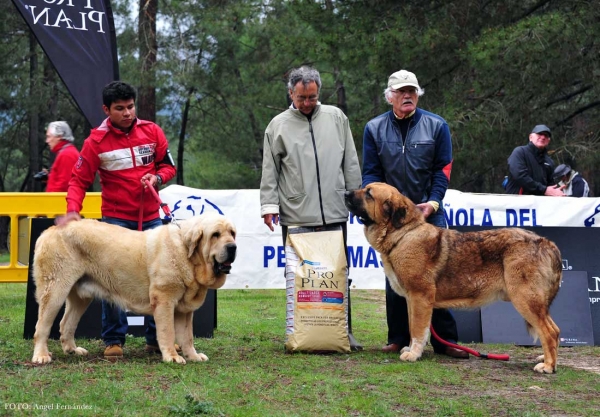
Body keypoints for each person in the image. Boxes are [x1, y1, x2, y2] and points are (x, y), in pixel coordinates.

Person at [57, 81, 177, 359]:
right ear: (106, 109)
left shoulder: (152, 131)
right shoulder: (95, 142)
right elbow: (78, 181)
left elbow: (168, 166)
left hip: (151, 220)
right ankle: (113, 340)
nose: (127, 113)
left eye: (131, 107)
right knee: (112, 281)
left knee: (160, 279)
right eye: (120, 109)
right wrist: (73, 209)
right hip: (115, 222)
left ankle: (156, 341)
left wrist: (157, 177)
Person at [361, 69, 468, 359]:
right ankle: (398, 337)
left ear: (418, 94)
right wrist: (376, 212)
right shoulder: (373, 128)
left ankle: (446, 341)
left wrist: (433, 203)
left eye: (412, 91)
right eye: (400, 91)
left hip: (428, 213)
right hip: (392, 219)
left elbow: (443, 169)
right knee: (396, 277)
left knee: (440, 277)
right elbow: (371, 173)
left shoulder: (437, 126)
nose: (407, 95)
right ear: (390, 97)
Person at [259, 66, 362, 350]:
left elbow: (350, 160)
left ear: (319, 92)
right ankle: (299, 333)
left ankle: (344, 333)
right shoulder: (277, 125)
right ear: (291, 93)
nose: (307, 103)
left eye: (312, 97)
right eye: (302, 97)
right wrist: (269, 205)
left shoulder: (337, 118)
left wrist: (356, 200)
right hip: (296, 214)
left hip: (334, 210)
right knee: (299, 276)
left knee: (338, 273)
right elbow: (270, 171)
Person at [505, 125, 564, 196]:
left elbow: (550, 186)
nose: (543, 137)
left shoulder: (549, 162)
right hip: (517, 204)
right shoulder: (520, 152)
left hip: (539, 205)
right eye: (539, 134)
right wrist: (544, 190)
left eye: (546, 135)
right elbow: (519, 176)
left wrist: (556, 192)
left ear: (548, 141)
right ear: (530, 137)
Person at [42, 121, 80, 192]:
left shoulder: (67, 155)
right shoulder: (67, 152)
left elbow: (64, 185)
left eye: (49, 137)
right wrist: (49, 178)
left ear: (59, 136)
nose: (47, 141)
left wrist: (48, 201)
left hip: (58, 202)